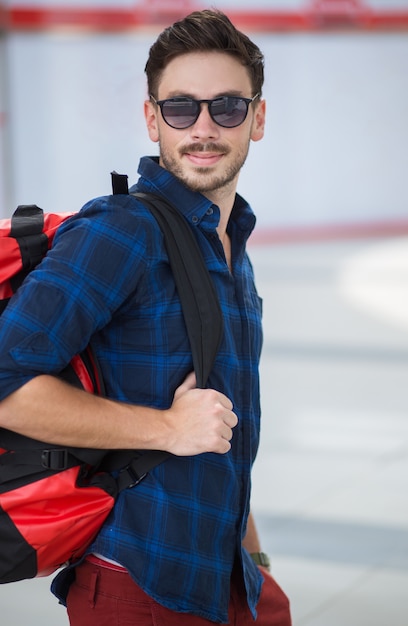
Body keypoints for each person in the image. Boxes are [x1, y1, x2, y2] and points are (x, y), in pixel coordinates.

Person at [0, 9, 291, 625]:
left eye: (228, 107)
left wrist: (256, 564)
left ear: (258, 119)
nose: (204, 128)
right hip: (139, 586)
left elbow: (222, 425)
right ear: (152, 118)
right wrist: (166, 430)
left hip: (230, 579)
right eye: (181, 108)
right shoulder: (122, 231)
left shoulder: (230, 241)